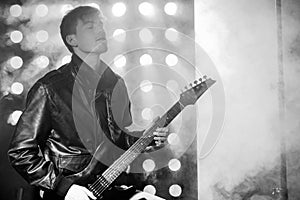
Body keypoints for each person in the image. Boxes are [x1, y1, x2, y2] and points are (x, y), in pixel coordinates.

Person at [8, 6, 168, 200]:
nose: (101, 30)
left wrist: (148, 138)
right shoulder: (49, 88)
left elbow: (118, 139)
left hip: (107, 186)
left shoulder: (116, 84)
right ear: (72, 39)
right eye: (90, 27)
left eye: (101, 24)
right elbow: (21, 152)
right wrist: (63, 188)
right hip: (68, 192)